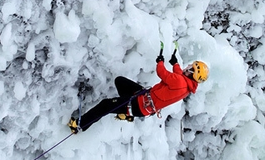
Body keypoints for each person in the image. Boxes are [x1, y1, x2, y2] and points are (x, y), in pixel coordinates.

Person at [68, 47, 209, 133]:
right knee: (120, 82)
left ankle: (80, 125)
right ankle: (127, 114)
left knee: (106, 105)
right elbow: (178, 77)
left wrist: (160, 61)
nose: (188, 66)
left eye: (191, 67)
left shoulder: (180, 82)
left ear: (192, 72)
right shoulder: (187, 86)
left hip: (140, 104)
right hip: (146, 101)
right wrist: (175, 63)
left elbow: (162, 73)